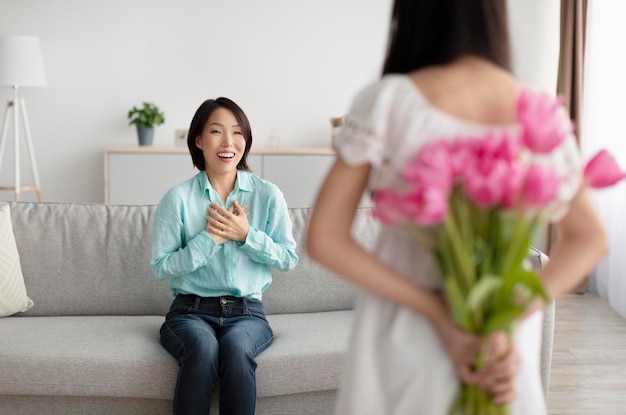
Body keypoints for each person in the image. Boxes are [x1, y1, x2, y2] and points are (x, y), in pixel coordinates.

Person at [306, 1, 608, 414]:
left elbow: (324, 238)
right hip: (502, 344)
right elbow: (590, 238)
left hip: (408, 328)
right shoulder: (534, 105)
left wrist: (438, 311)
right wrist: (508, 320)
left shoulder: (390, 100)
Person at [151, 97, 299, 415]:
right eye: (216, 131)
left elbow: (288, 257)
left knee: (236, 347)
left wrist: (246, 235)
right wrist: (211, 239)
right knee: (203, 347)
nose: (228, 142)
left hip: (248, 314)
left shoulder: (267, 194)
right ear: (199, 140)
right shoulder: (177, 198)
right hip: (190, 312)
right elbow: (161, 266)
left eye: (237, 133)